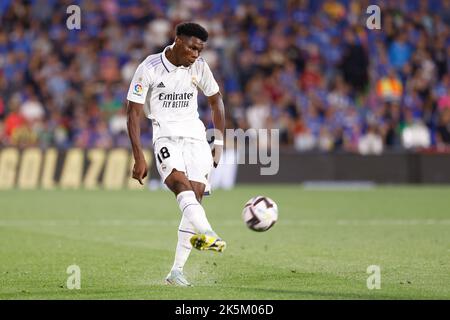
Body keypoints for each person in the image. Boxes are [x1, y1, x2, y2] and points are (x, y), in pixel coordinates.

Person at [126, 22, 226, 287]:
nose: (196, 54)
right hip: (165, 136)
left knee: (195, 198)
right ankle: (208, 233)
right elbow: (133, 113)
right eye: (192, 48)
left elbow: (216, 100)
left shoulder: (200, 67)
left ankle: (176, 272)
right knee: (179, 185)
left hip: (195, 137)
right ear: (178, 41)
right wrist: (138, 155)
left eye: (200, 50)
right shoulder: (149, 67)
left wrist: (219, 142)